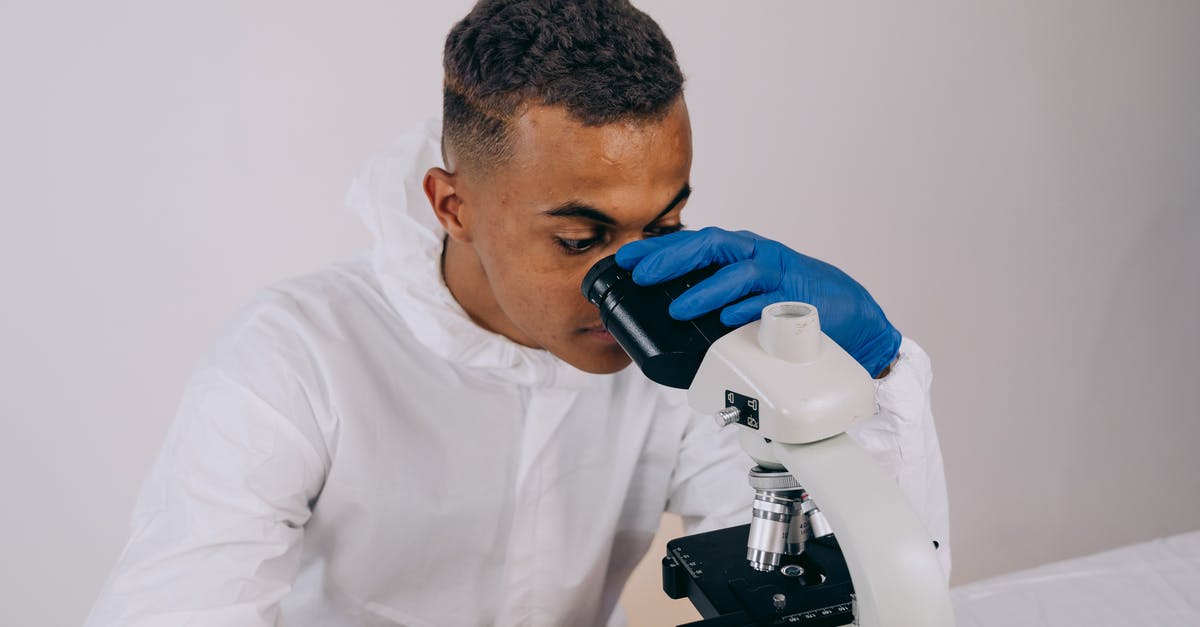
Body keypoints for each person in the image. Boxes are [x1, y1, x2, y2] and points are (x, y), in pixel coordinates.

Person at [85, 1, 949, 625]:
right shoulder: (292, 360)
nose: (634, 283)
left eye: (667, 223)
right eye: (581, 237)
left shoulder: (673, 346)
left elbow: (847, 587)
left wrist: (872, 376)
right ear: (451, 204)